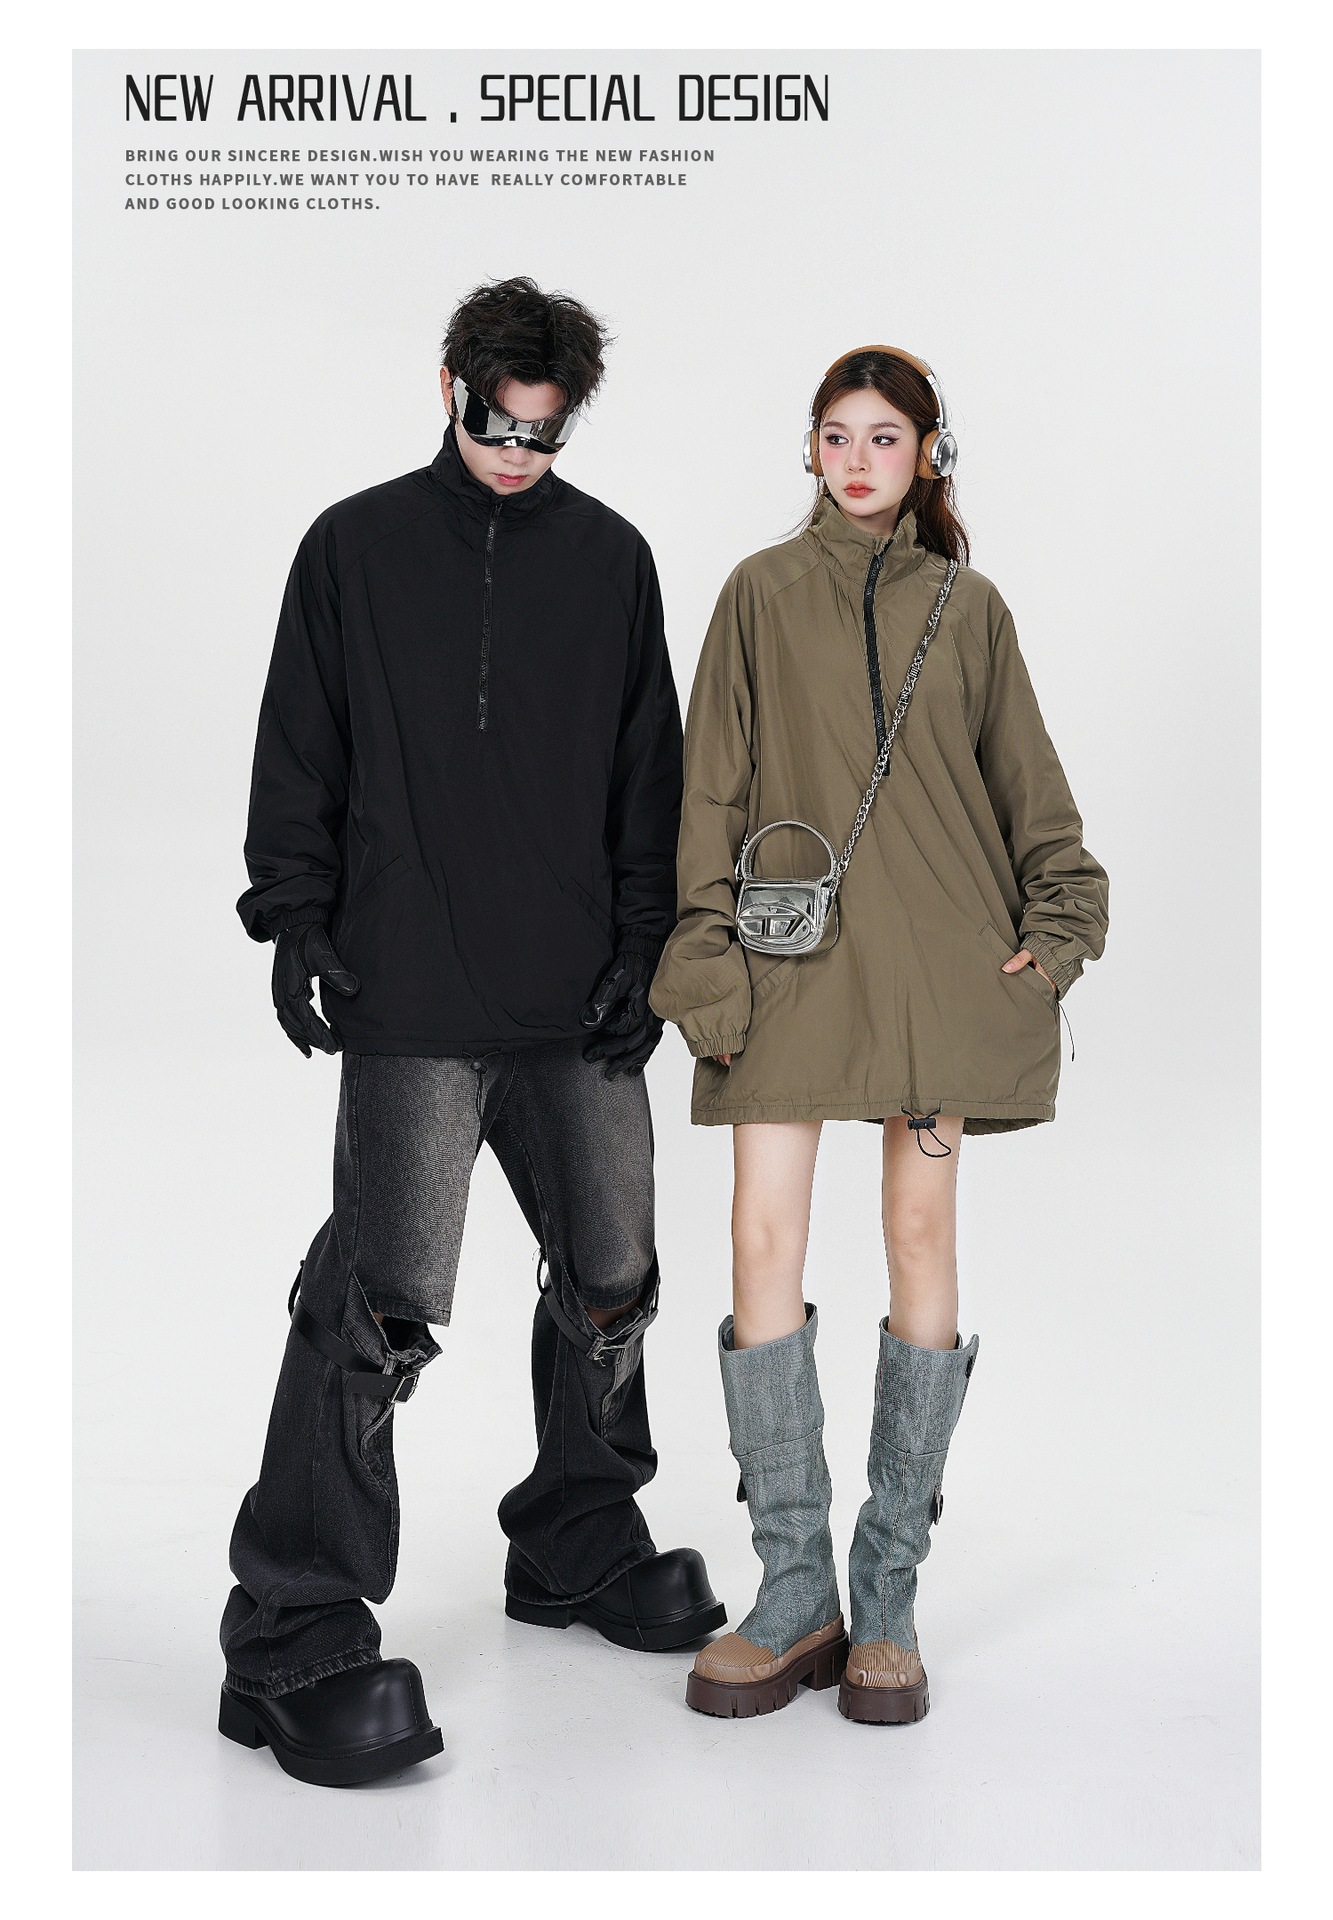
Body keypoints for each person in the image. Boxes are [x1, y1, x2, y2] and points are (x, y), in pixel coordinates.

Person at [217, 276, 725, 1788]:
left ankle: (574, 1531)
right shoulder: (353, 546)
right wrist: (295, 918)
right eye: (496, 426)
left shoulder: (611, 560)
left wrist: (644, 946)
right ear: (450, 390)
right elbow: (299, 743)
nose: (516, 456)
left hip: (574, 996)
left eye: (543, 435)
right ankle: (291, 1624)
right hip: (411, 988)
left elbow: (648, 771)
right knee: (381, 1306)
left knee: (614, 1277)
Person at [650, 344, 1108, 1724]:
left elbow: (1034, 801)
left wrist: (1056, 935)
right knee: (760, 1237)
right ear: (809, 450)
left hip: (932, 979)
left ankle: (887, 1593)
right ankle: (794, 1587)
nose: (858, 459)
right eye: (836, 435)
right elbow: (709, 793)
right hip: (789, 969)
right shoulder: (755, 592)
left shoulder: (969, 609)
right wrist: (704, 960)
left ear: (926, 455)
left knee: (919, 1234)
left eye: (885, 437)